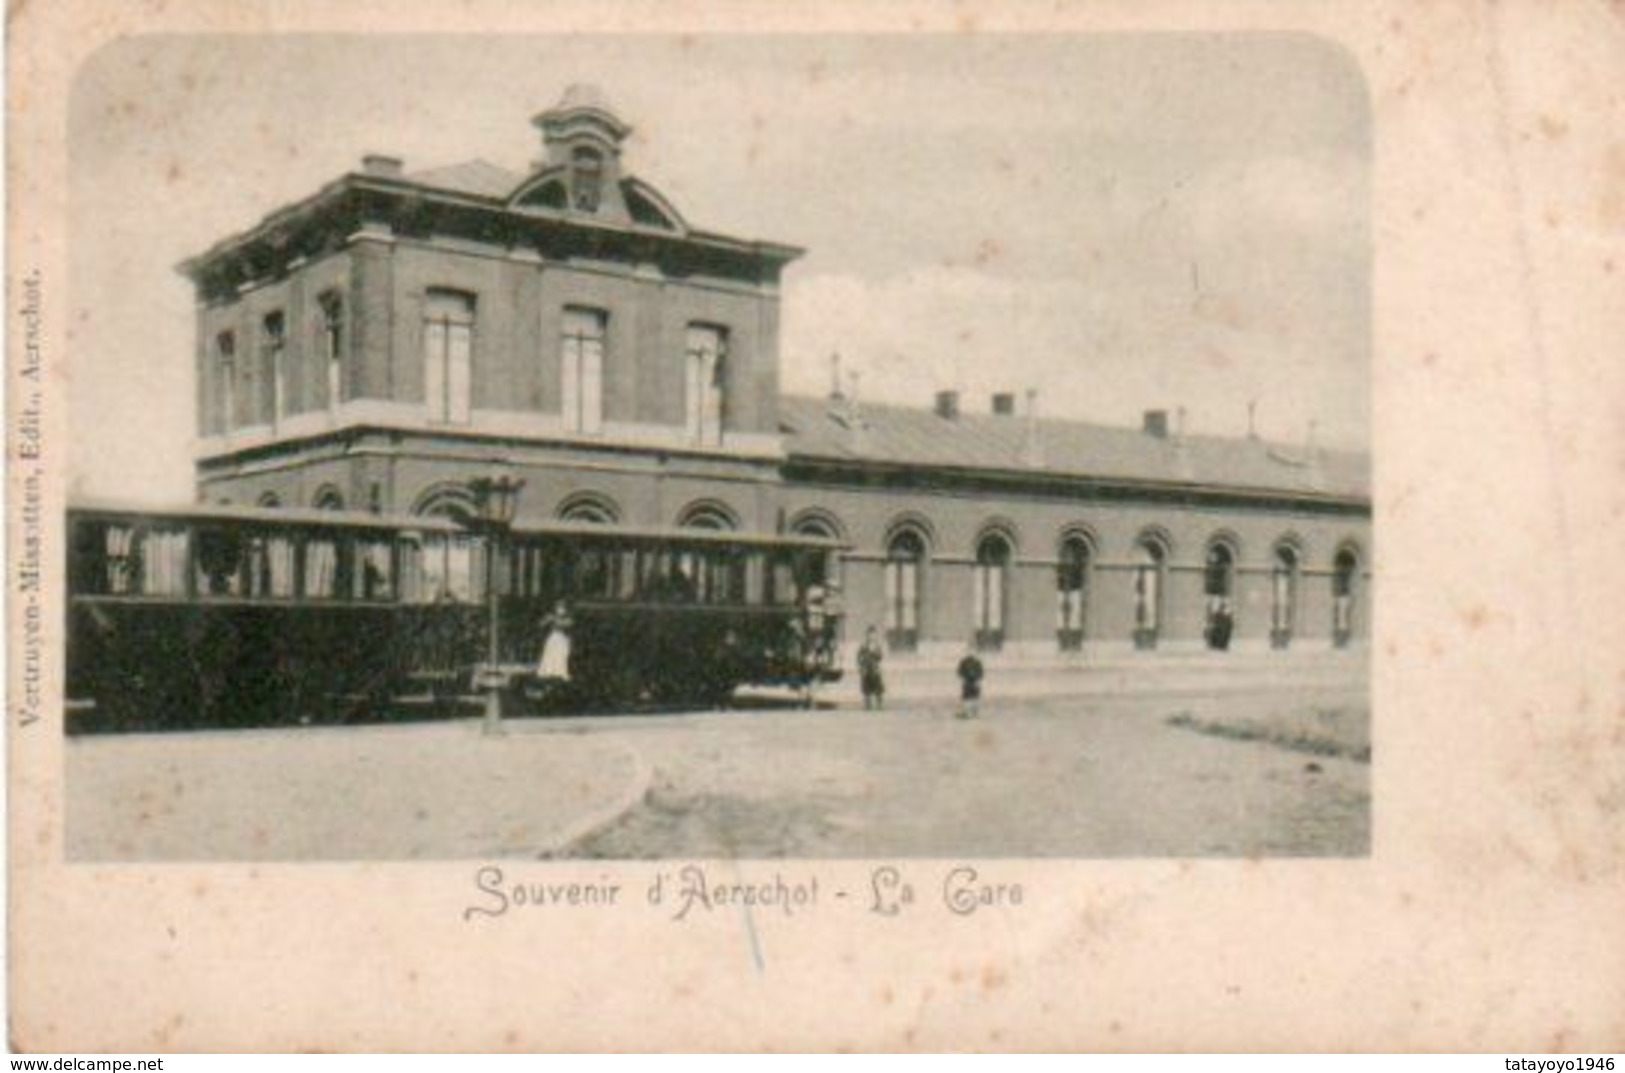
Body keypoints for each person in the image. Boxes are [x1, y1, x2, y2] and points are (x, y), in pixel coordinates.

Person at [536, 600, 574, 688]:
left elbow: (568, 625)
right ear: (556, 608)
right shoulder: (551, 616)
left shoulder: (568, 618)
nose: (561, 609)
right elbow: (541, 624)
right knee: (550, 654)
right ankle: (549, 671)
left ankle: (560, 672)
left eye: (562, 608)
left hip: (563, 638)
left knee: (561, 656)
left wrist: (555, 621)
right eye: (559, 607)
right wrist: (548, 620)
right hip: (554, 637)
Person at [858, 626, 886, 710]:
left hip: (875, 668)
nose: (872, 636)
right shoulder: (863, 645)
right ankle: (868, 704)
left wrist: (874, 653)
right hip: (867, 668)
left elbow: (880, 656)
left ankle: (879, 703)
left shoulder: (877, 645)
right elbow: (859, 657)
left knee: (878, 686)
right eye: (870, 634)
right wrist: (862, 664)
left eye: (873, 634)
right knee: (867, 687)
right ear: (867, 635)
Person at [956, 641, 985, 720]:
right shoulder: (964, 662)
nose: (971, 652)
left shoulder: (977, 662)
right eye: (969, 650)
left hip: (974, 682)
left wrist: (977, 679)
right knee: (967, 697)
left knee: (975, 697)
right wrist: (964, 678)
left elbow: (981, 672)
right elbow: (960, 672)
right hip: (967, 682)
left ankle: (974, 712)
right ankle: (967, 712)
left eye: (972, 650)